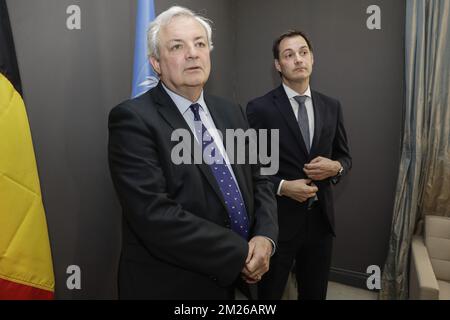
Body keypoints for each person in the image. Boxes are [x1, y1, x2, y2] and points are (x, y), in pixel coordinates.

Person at [108, 6, 278, 300]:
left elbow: (260, 179)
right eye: (177, 46)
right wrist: (240, 253)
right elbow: (155, 215)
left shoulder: (232, 112)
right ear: (156, 63)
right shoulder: (132, 119)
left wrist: (265, 237)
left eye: (200, 43)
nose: (192, 53)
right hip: (171, 285)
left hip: (235, 282)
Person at [246, 30, 352, 300]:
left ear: (312, 59)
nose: (298, 59)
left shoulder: (332, 106)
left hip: (320, 222)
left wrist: (336, 167)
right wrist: (282, 186)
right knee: (269, 294)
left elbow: (345, 157)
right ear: (278, 65)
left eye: (303, 52)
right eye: (288, 55)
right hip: (277, 224)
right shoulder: (259, 109)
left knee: (315, 293)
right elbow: (248, 167)